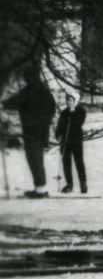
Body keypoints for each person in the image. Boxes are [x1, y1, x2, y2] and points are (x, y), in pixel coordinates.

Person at [3, 69, 56, 198]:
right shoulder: (44, 90)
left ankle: (39, 191)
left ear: (30, 77)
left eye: (26, 77)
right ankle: (40, 188)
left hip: (32, 130)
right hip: (42, 131)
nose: (25, 80)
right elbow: (52, 109)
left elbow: (15, 102)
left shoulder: (31, 90)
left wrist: (4, 103)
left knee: (34, 159)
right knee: (37, 159)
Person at [55, 95, 87, 193]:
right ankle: (69, 185)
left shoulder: (81, 111)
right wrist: (58, 134)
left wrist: (71, 120)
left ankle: (83, 184)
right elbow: (60, 125)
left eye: (71, 100)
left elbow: (79, 123)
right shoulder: (64, 113)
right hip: (65, 141)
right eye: (68, 100)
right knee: (66, 163)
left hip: (76, 140)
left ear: (75, 101)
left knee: (79, 162)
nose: (70, 102)